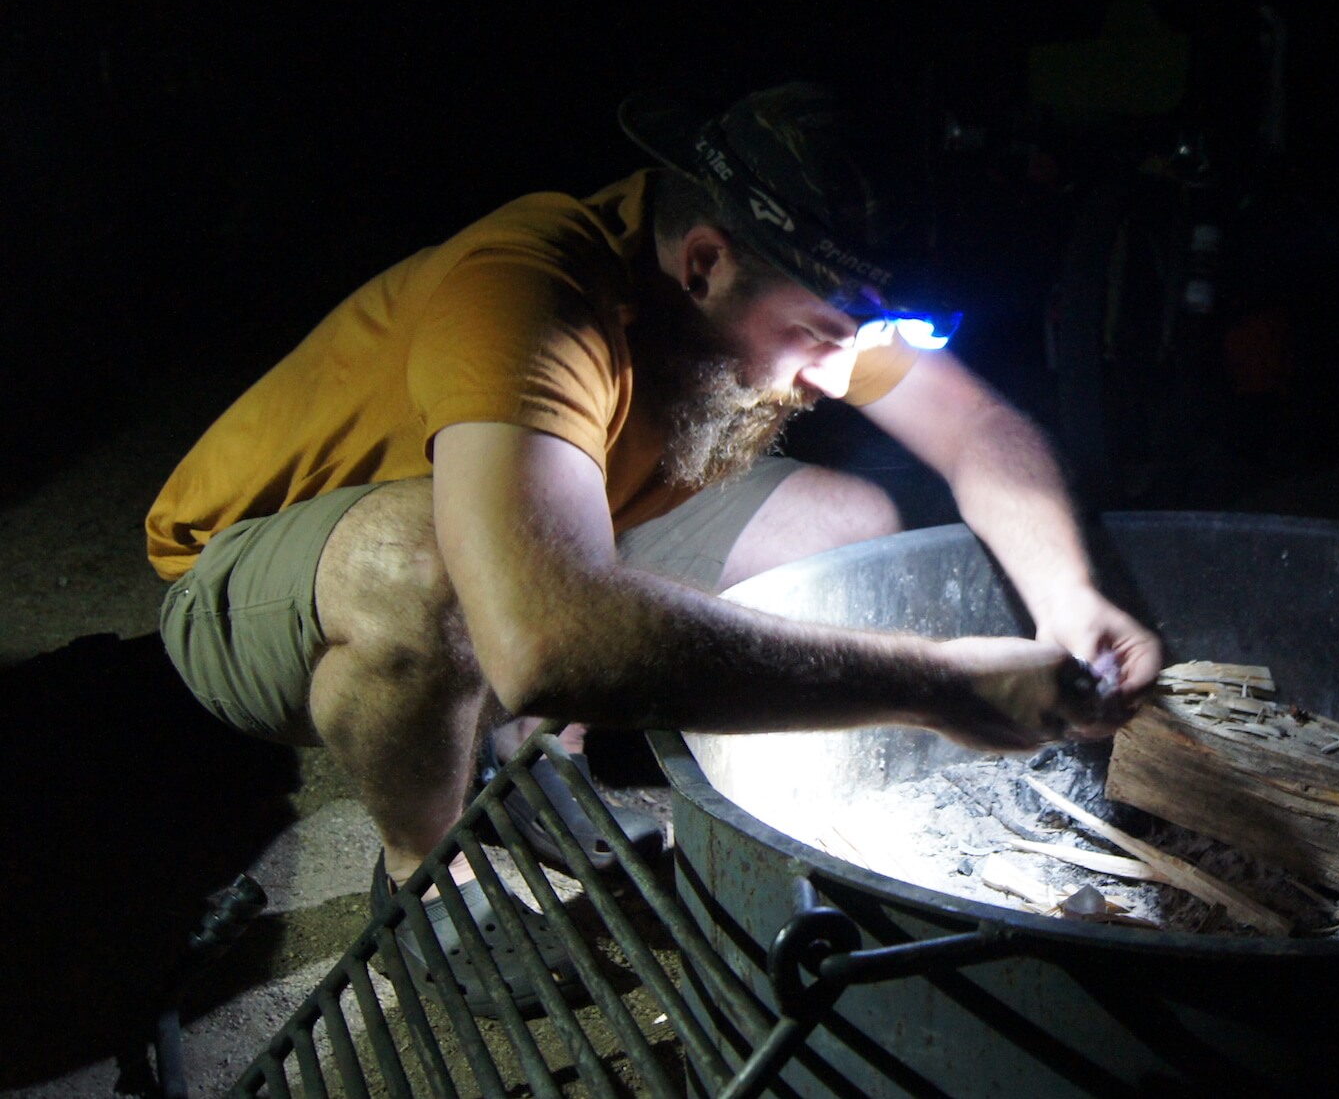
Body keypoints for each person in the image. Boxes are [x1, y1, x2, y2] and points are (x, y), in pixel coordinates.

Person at [146, 82, 1162, 1011]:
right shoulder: (529, 289)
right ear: (704, 262)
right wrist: (937, 682)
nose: (838, 371)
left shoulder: (795, 278)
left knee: (848, 526)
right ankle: (428, 876)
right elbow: (545, 636)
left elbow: (979, 431)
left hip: (514, 525)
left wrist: (1066, 592)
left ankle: (531, 749)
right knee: (437, 576)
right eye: (820, 334)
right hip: (248, 578)